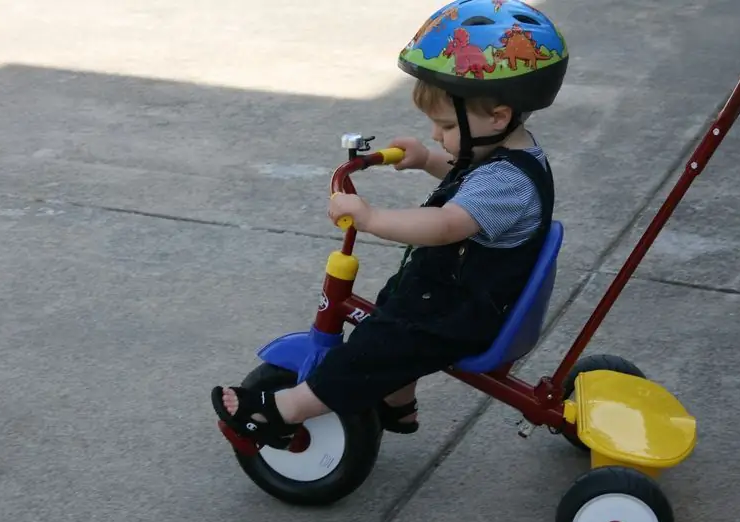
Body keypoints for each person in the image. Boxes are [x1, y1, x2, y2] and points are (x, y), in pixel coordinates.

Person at [212, 0, 569, 448]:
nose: (438, 135)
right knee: (392, 306)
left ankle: (284, 412)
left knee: (379, 344)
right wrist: (426, 160)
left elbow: (445, 225)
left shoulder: (506, 181)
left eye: (444, 126)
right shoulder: (507, 156)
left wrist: (372, 218)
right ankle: (397, 404)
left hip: (462, 314)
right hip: (453, 295)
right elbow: (467, 182)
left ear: (498, 117)